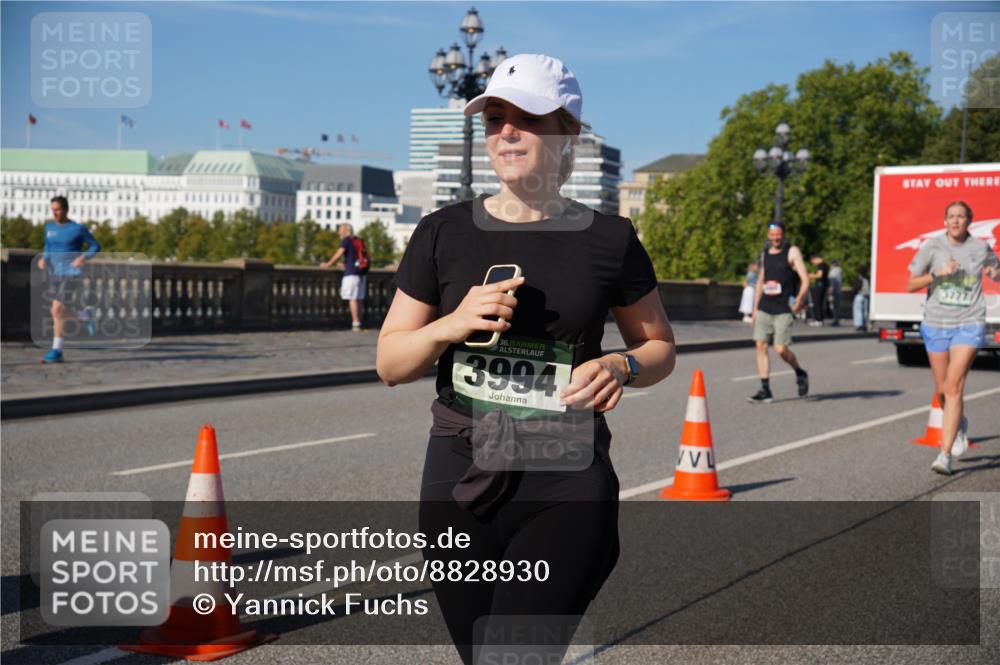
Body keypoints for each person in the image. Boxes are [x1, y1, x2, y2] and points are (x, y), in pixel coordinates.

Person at [375, 53, 676, 664]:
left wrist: (620, 366)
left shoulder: (609, 238)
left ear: (568, 132)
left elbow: (660, 348)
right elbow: (390, 363)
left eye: (528, 118)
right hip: (460, 471)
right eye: (495, 119)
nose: (507, 132)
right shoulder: (442, 231)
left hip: (565, 472)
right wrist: (452, 324)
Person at [907, 201, 1000, 475]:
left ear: (969, 221)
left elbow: (996, 271)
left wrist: (994, 273)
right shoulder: (932, 247)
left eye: (961, 217)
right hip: (936, 323)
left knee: (953, 386)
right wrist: (937, 274)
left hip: (969, 323)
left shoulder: (980, 247)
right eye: (951, 216)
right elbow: (911, 283)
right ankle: (958, 424)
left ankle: (944, 455)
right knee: (941, 388)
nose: (956, 221)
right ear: (945, 220)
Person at [748, 221, 811, 403]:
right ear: (769, 235)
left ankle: (799, 372)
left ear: (783, 235)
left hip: (783, 308)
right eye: (772, 234)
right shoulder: (765, 254)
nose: (775, 237)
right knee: (760, 345)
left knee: (780, 349)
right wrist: (754, 309)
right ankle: (765, 389)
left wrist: (799, 299)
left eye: (778, 234)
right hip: (765, 307)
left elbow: (805, 279)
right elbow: (761, 281)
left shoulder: (792, 252)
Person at [36, 195, 100, 362]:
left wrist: (83, 257)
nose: (55, 213)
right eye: (52, 210)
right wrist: (44, 258)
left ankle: (57, 351)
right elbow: (48, 246)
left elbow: (95, 246)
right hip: (55, 274)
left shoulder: (78, 228)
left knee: (57, 310)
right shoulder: (48, 228)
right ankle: (84, 315)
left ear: (65, 209)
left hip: (72, 273)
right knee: (56, 311)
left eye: (58, 209)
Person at [321, 223, 366, 330]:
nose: (339, 231)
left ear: (346, 230)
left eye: (340, 229)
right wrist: (345, 265)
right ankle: (360, 322)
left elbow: (339, 253)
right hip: (361, 273)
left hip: (351, 274)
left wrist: (328, 264)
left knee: (352, 298)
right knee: (359, 299)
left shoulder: (346, 240)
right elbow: (355, 258)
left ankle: (355, 323)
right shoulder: (357, 240)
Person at [808, 255, 829, 325]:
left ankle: (818, 319)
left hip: (820, 285)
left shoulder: (821, 265)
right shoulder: (825, 265)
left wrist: (811, 275)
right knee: (820, 302)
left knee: (816, 302)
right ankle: (820, 319)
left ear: (815, 259)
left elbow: (819, 275)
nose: (814, 264)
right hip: (823, 285)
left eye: (813, 262)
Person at [852, 264, 870, 331]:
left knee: (858, 311)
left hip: (859, 295)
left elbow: (856, 287)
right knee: (865, 311)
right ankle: (865, 324)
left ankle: (859, 325)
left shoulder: (859, 278)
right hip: (866, 296)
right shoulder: (868, 278)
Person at [828, 259, 843, 326]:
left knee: (833, 307)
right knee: (837, 307)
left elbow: (832, 282)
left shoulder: (833, 272)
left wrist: (830, 290)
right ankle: (836, 319)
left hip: (834, 292)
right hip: (838, 290)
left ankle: (835, 320)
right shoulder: (839, 271)